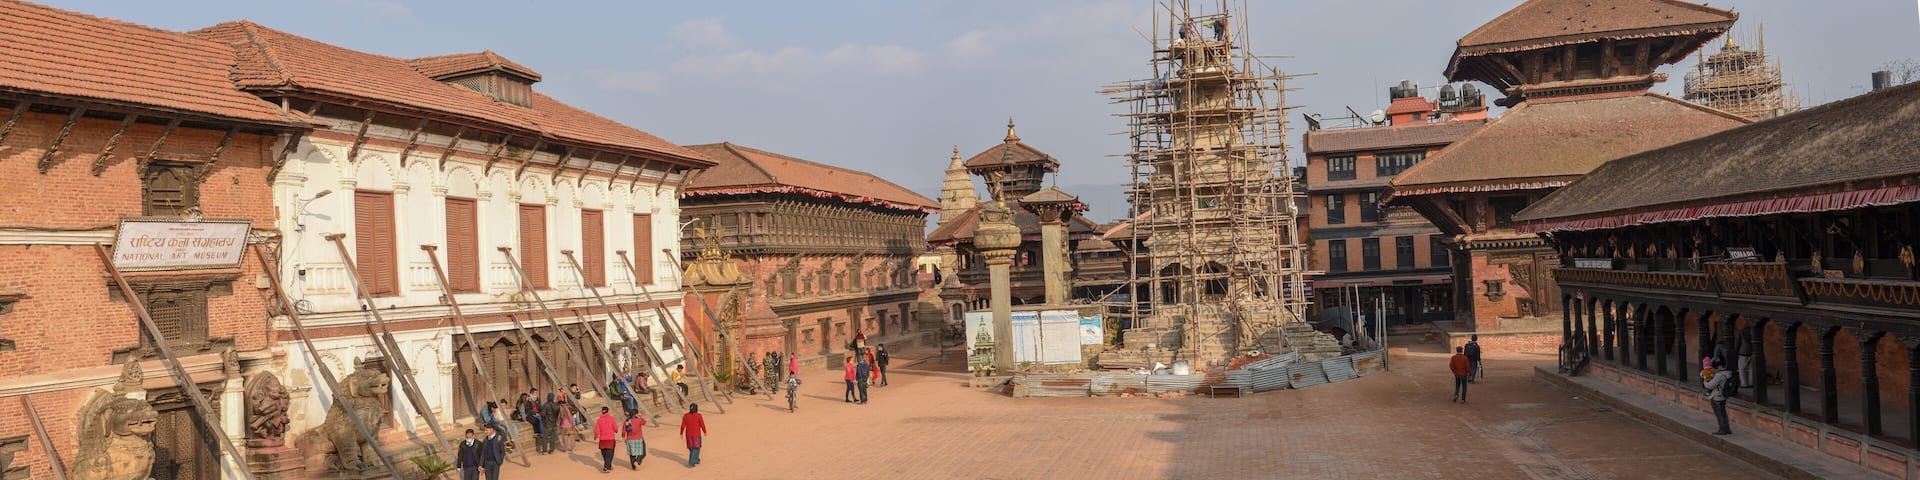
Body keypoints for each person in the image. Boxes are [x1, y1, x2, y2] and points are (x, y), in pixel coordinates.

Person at [1705, 357, 1733, 435]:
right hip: (1723, 396)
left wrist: (1705, 380)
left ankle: (1722, 429)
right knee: (1723, 413)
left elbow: (1710, 385)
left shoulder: (1719, 375)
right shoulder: (1728, 373)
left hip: (1717, 396)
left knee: (1719, 414)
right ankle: (1727, 428)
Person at [680, 403, 708, 467]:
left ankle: (696, 459)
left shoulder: (686, 416)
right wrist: (705, 431)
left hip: (688, 435)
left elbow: (682, 426)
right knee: (696, 447)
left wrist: (681, 433)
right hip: (696, 435)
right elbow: (702, 425)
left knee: (691, 447)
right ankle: (691, 462)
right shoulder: (699, 415)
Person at [593, 406, 619, 473]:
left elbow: (596, 430)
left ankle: (608, 465)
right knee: (610, 454)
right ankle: (606, 466)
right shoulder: (611, 418)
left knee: (604, 453)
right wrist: (616, 431)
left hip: (602, 439)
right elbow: (615, 428)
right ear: (608, 411)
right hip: (610, 438)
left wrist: (595, 436)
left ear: (602, 412)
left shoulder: (599, 420)